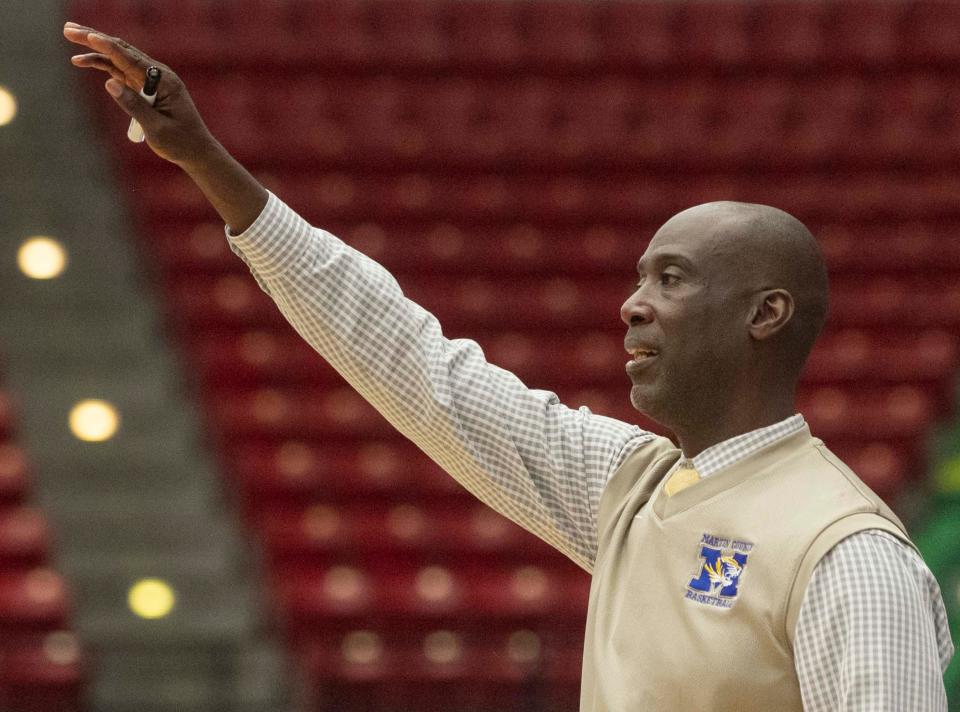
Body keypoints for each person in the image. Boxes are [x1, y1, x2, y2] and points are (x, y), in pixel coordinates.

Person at [63, 22, 954, 711]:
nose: (632, 303)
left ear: (766, 315)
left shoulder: (847, 555)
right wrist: (212, 168)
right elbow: (413, 362)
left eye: (671, 280)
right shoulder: (632, 486)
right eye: (638, 277)